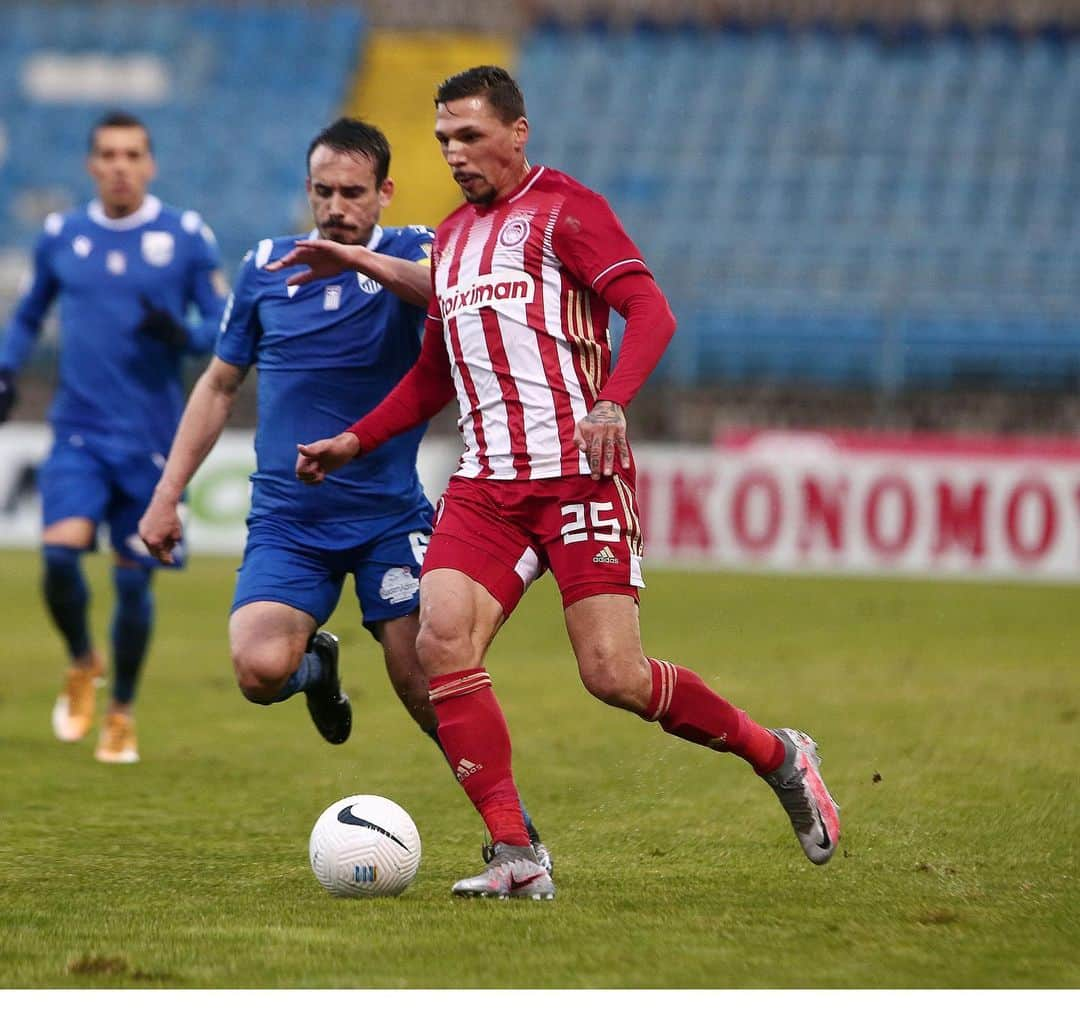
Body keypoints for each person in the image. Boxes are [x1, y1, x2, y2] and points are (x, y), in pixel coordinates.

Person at [281, 66, 841, 901]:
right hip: (485, 486)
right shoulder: (453, 241)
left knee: (613, 674)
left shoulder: (568, 210)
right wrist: (355, 439)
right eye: (444, 140)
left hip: (579, 478)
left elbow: (651, 313)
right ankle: (515, 853)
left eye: (470, 136)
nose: (457, 153)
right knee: (441, 643)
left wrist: (613, 402)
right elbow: (434, 376)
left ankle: (779, 755)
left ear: (517, 132)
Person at [137, 117, 550, 871]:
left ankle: (516, 834)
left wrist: (356, 258)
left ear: (384, 192)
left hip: (387, 518)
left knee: (428, 684)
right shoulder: (266, 266)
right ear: (308, 190)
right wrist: (168, 496)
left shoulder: (414, 248)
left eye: (353, 193)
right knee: (259, 673)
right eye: (323, 191)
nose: (335, 206)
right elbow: (220, 384)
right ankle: (314, 668)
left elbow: (454, 293)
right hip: (288, 522)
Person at [0, 111, 227, 763]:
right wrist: (7, 369)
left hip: (154, 440)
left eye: (132, 154)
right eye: (108, 154)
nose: (120, 165)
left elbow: (224, 325)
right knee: (59, 557)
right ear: (91, 165)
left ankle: (121, 710)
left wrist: (181, 337)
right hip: (78, 433)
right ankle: (81, 660)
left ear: (150, 164)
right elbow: (28, 313)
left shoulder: (184, 237)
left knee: (133, 584)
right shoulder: (60, 235)